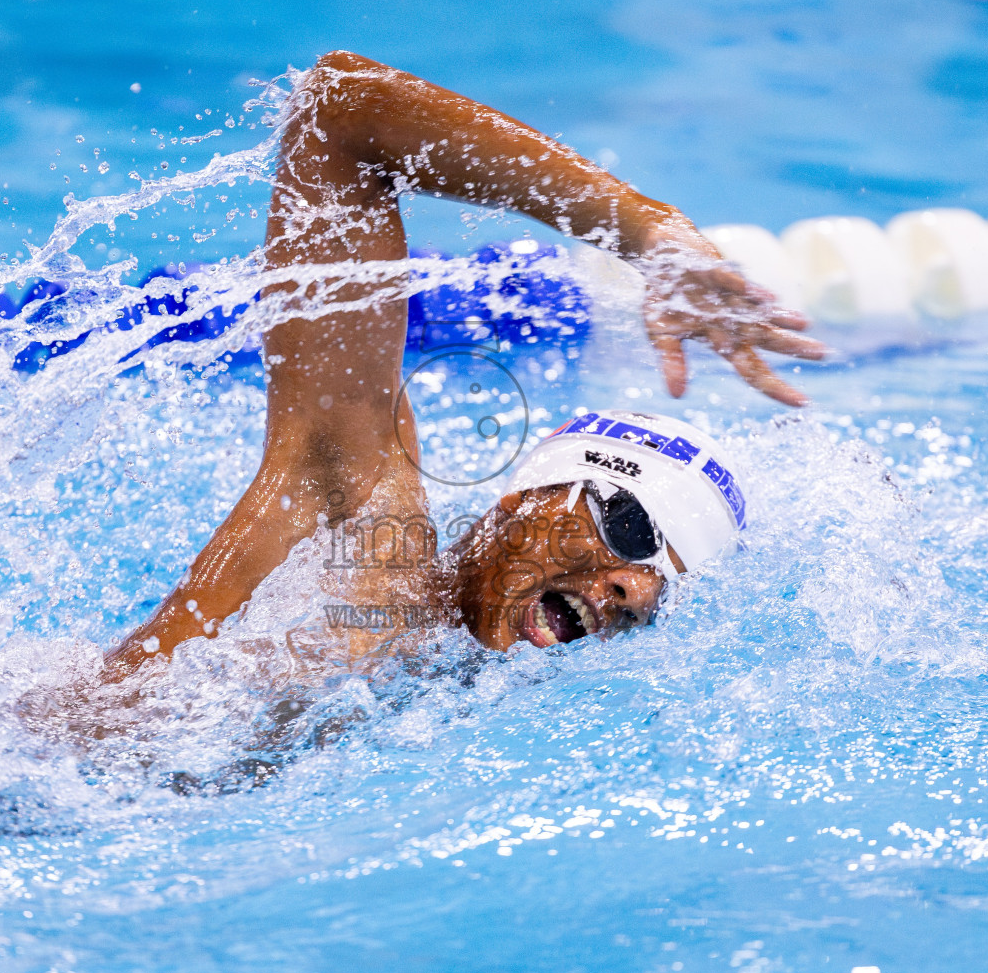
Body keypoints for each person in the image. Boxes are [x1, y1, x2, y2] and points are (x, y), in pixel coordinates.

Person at [99, 50, 825, 683]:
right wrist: (645, 233)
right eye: (633, 531)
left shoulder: (469, 692)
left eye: (661, 585)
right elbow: (337, 112)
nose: (635, 589)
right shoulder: (360, 515)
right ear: (522, 499)